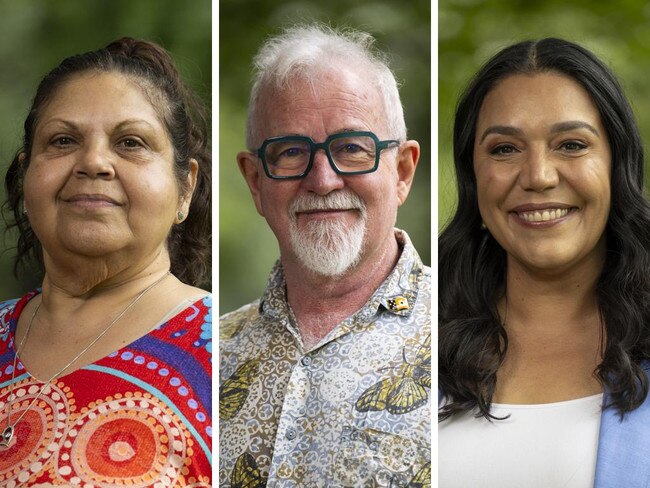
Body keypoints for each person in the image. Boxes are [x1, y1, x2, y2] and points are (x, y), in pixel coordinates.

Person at [219, 24, 430, 486]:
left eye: (352, 148)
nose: (322, 180)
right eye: (291, 151)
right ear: (255, 181)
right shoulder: (208, 355)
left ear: (403, 171)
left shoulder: (467, 332)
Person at [438, 38, 650, 487]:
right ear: (473, 177)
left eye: (571, 144)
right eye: (504, 149)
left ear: (617, 164)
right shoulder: (417, 332)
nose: (538, 176)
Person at [0, 38, 212, 487]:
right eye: (62, 141)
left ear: (185, 188)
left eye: (130, 142)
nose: (93, 161)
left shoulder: (221, 352)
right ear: (26, 179)